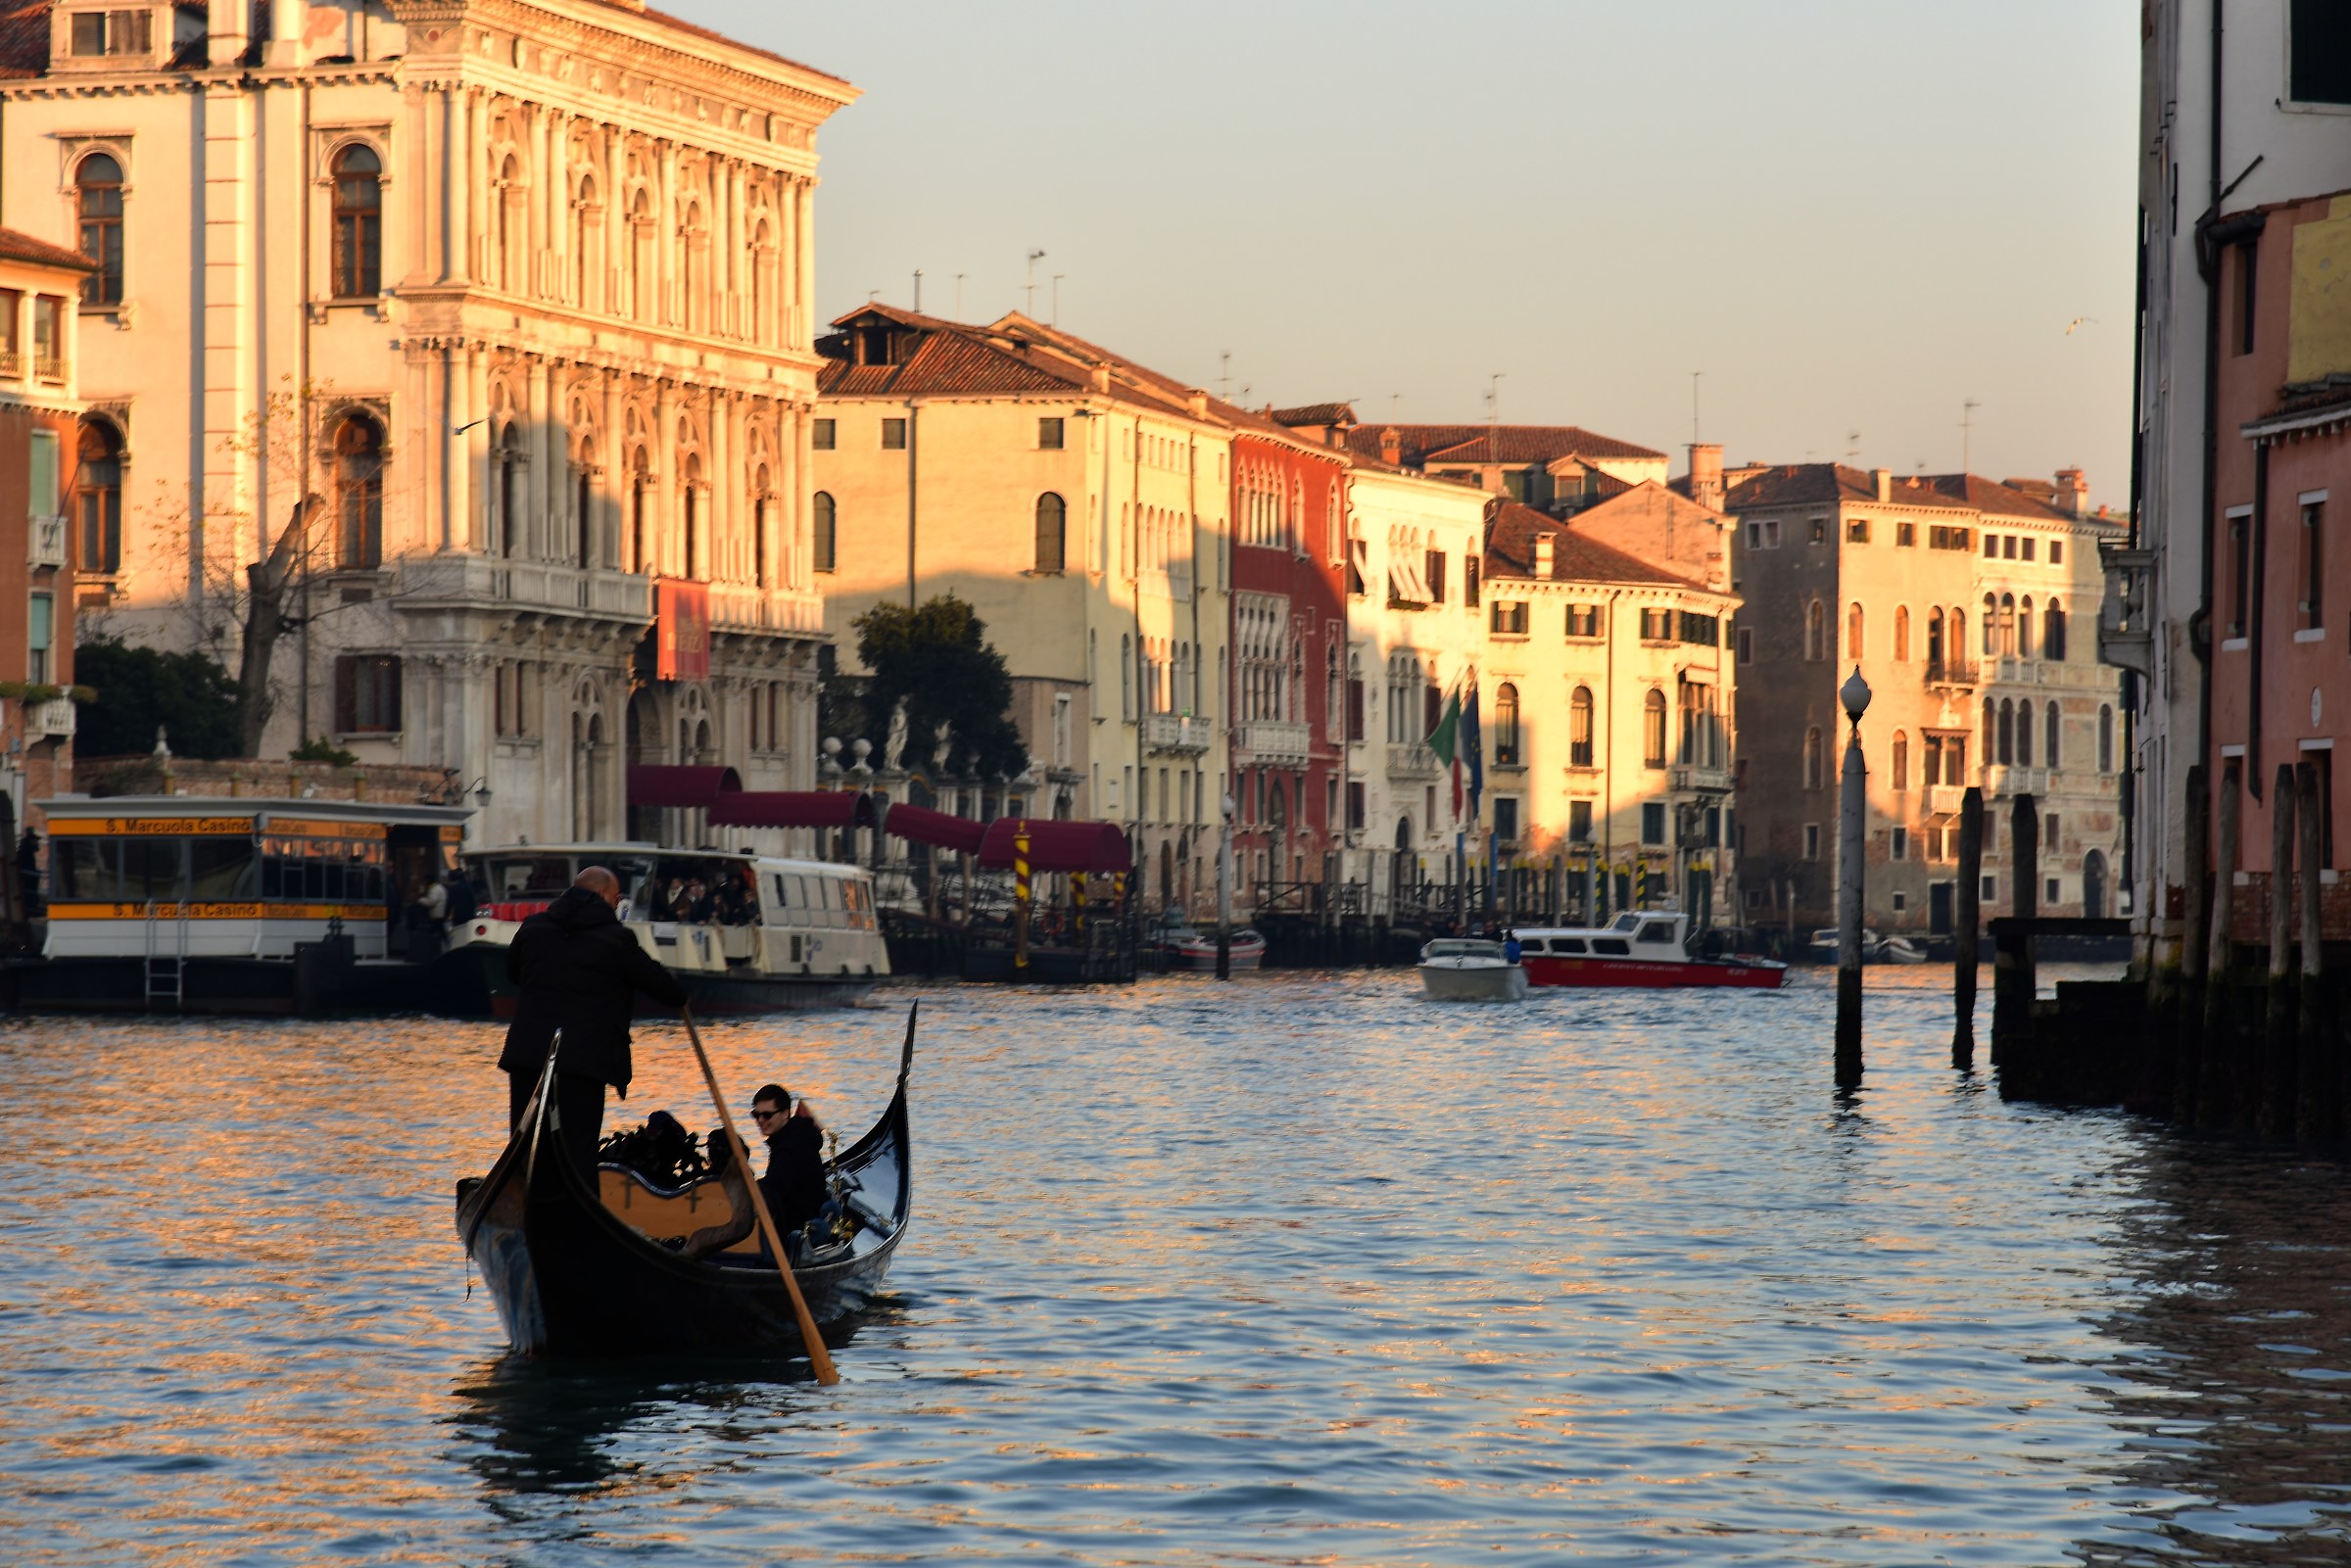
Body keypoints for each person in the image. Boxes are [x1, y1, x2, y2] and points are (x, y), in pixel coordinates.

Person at [497, 866, 688, 1174]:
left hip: (528, 1056)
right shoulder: (616, 940)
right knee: (577, 1155)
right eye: (617, 897)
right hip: (582, 1064)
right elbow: (669, 992)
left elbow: (513, 974)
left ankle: (524, 1203)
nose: (617, 903)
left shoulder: (532, 928)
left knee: (524, 1147)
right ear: (603, 895)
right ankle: (571, 1212)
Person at [748, 1082, 829, 1240]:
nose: (760, 1120)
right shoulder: (792, 1137)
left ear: (785, 1113)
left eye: (767, 1115)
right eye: (756, 1115)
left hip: (798, 1225)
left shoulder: (792, 1147)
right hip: (792, 1214)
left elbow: (775, 1186)